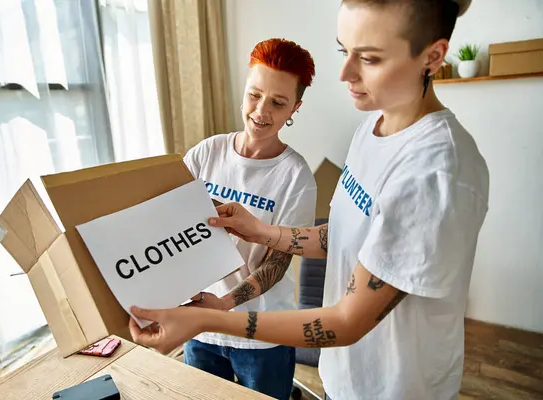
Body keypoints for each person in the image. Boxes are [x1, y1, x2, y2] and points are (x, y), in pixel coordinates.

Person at [129, 1, 489, 399]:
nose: (345, 73)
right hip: (344, 375)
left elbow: (347, 321)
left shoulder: (436, 172)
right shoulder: (373, 127)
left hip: (394, 388)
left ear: (433, 56)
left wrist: (207, 318)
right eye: (344, 51)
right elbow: (343, 236)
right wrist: (259, 229)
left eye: (368, 58)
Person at [177, 38, 318, 400]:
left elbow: (278, 262)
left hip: (262, 335)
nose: (261, 111)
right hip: (202, 328)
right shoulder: (206, 153)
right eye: (255, 95)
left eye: (278, 102)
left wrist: (225, 305)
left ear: (295, 109)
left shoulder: (296, 177)